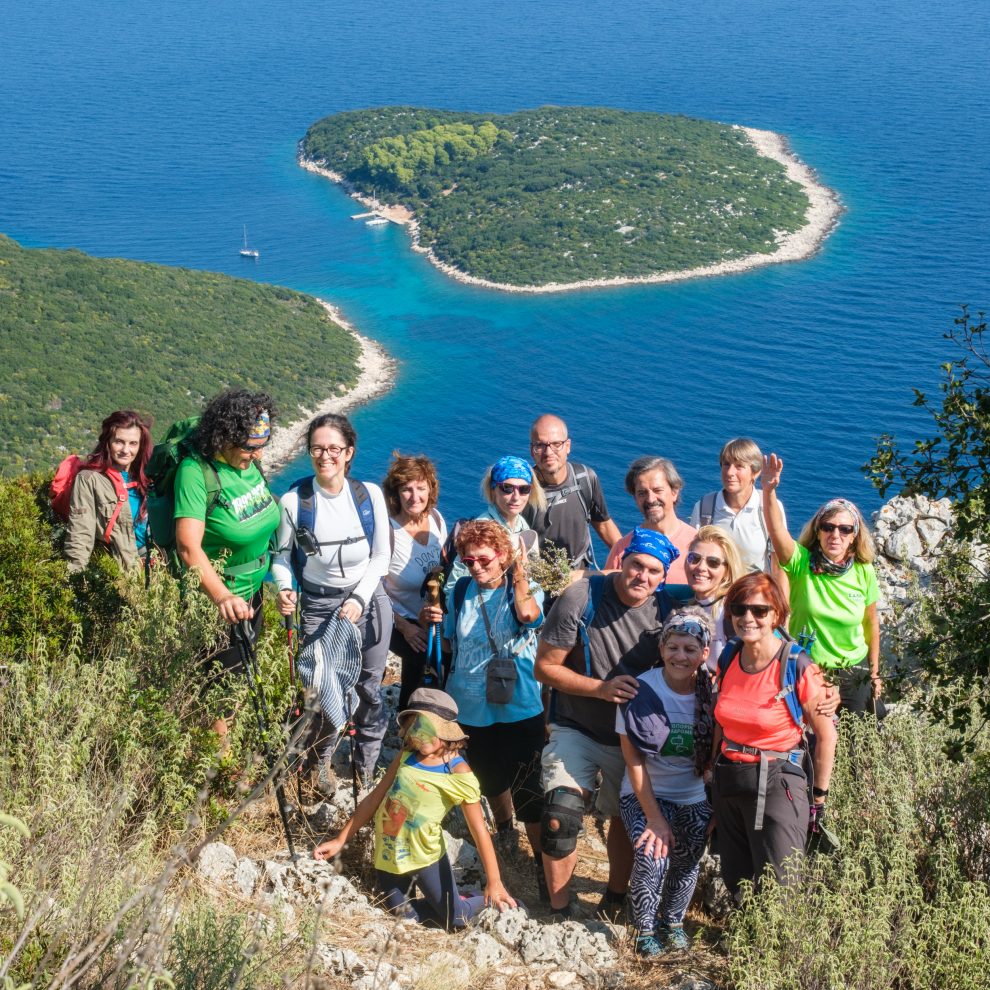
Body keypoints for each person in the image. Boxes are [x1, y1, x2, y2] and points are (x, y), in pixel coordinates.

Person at [534, 526, 681, 919]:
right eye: (636, 566)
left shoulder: (668, 609)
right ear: (621, 561)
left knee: (624, 818)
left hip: (631, 738)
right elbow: (545, 668)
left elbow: (724, 595)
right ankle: (559, 911)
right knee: (560, 816)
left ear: (664, 577)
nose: (642, 577)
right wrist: (600, 689)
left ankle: (615, 900)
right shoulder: (582, 597)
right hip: (576, 726)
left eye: (653, 571)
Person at [313, 688, 517, 929]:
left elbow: (479, 830)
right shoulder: (407, 755)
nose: (419, 736)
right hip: (388, 854)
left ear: (445, 731)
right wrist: (340, 840)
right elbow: (374, 799)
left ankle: (498, 903)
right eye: (415, 727)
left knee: (456, 918)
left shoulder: (457, 772)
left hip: (425, 857)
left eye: (427, 729)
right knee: (403, 918)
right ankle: (454, 900)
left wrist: (494, 881)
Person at [272, 413, 393, 783]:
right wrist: (284, 587)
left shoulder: (369, 496)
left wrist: (358, 597)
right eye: (317, 449)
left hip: (369, 600)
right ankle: (318, 764)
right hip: (319, 606)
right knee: (322, 690)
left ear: (349, 452)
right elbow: (280, 556)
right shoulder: (294, 503)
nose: (325, 456)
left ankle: (365, 769)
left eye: (333, 449)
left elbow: (380, 557)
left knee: (369, 687)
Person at [711, 572, 837, 901]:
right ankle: (742, 944)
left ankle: (779, 949)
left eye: (759, 610)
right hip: (731, 777)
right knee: (736, 875)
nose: (747, 617)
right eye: (738, 609)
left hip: (779, 780)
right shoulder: (729, 656)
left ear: (777, 615)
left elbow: (826, 735)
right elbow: (721, 723)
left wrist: (819, 797)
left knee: (781, 880)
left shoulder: (797, 664)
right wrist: (711, 771)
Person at [441, 519, 545, 875]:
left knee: (529, 791)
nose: (477, 567)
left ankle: (543, 868)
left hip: (520, 708)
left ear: (503, 556)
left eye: (484, 559)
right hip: (470, 709)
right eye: (468, 562)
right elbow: (450, 640)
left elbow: (529, 615)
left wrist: (520, 571)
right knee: (490, 781)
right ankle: (504, 831)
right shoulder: (460, 592)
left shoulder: (527, 589)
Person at [173, 391, 280, 737]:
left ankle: (228, 751)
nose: (257, 454)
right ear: (224, 437)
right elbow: (188, 548)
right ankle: (223, 770)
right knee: (220, 691)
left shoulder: (249, 466)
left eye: (261, 445)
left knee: (238, 681)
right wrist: (221, 597)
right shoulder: (196, 473)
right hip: (220, 601)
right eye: (249, 447)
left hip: (254, 593)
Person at [617, 607, 716, 956]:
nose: (680, 656)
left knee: (688, 858)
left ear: (704, 653)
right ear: (661, 648)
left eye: (691, 649)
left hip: (693, 794)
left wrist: (713, 804)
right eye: (673, 647)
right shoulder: (639, 689)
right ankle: (643, 928)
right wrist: (655, 818)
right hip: (645, 793)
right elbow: (633, 759)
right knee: (653, 853)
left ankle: (672, 921)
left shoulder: (713, 693)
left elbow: (716, 754)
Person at [761, 453, 882, 713]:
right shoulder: (800, 563)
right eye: (828, 527)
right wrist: (768, 490)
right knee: (812, 741)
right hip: (808, 668)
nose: (835, 534)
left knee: (854, 741)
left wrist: (874, 673)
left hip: (854, 671)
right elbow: (777, 531)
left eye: (845, 529)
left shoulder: (864, 571)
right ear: (818, 531)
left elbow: (871, 623)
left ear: (854, 537)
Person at [381, 453, 448, 711]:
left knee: (427, 664)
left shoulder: (436, 520)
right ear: (395, 493)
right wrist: (404, 628)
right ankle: (410, 722)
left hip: (430, 615)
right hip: (395, 619)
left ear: (430, 489)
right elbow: (373, 587)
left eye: (421, 488)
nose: (414, 496)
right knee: (423, 661)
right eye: (406, 489)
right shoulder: (388, 531)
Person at [524, 414, 621, 573]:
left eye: (556, 444)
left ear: (568, 446)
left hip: (578, 576)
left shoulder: (585, 479)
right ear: (531, 450)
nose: (548, 452)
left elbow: (603, 525)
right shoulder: (522, 490)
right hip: (534, 581)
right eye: (540, 445)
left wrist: (627, 557)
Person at [63, 409, 153, 573]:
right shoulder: (90, 480)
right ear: (107, 442)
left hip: (157, 569)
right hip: (122, 571)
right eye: (119, 441)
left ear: (140, 446)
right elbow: (81, 532)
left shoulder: (148, 477)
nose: (126, 450)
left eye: (133, 443)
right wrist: (74, 576)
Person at [688, 437, 785, 575]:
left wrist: (780, 596)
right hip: (715, 594)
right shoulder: (705, 507)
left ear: (755, 472)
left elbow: (780, 564)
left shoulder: (768, 506)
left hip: (754, 593)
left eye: (739, 466)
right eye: (726, 464)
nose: (730, 472)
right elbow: (693, 557)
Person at [445, 455, 543, 585]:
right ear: (493, 490)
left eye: (524, 489)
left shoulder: (521, 523)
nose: (516, 497)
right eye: (507, 488)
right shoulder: (481, 530)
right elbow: (454, 584)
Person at [605, 457, 697, 583]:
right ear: (635, 498)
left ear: (674, 492)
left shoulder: (697, 545)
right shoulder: (621, 549)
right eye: (642, 493)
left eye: (657, 490)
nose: (650, 499)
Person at [678, 526, 746, 670]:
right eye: (694, 558)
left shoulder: (733, 611)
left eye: (713, 562)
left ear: (727, 571)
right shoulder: (686, 608)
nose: (701, 567)